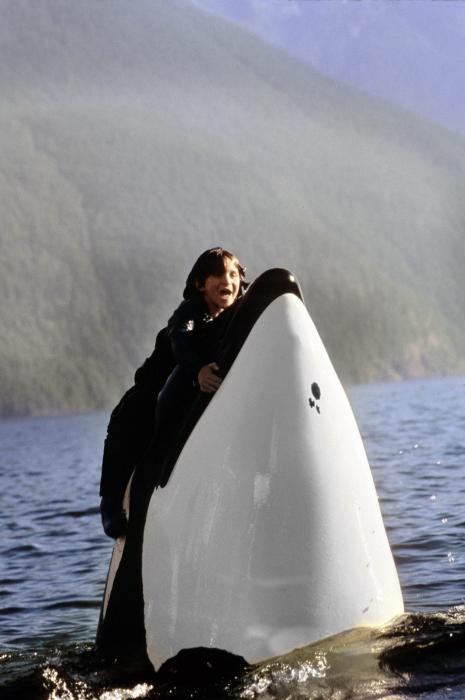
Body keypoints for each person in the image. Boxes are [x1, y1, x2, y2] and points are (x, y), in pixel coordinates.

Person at [99, 247, 248, 539]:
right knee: (128, 418)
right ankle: (110, 502)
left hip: (190, 390)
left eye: (233, 275)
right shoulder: (188, 313)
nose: (228, 281)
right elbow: (180, 338)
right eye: (218, 274)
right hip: (155, 387)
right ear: (200, 284)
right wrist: (196, 370)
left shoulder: (234, 315)